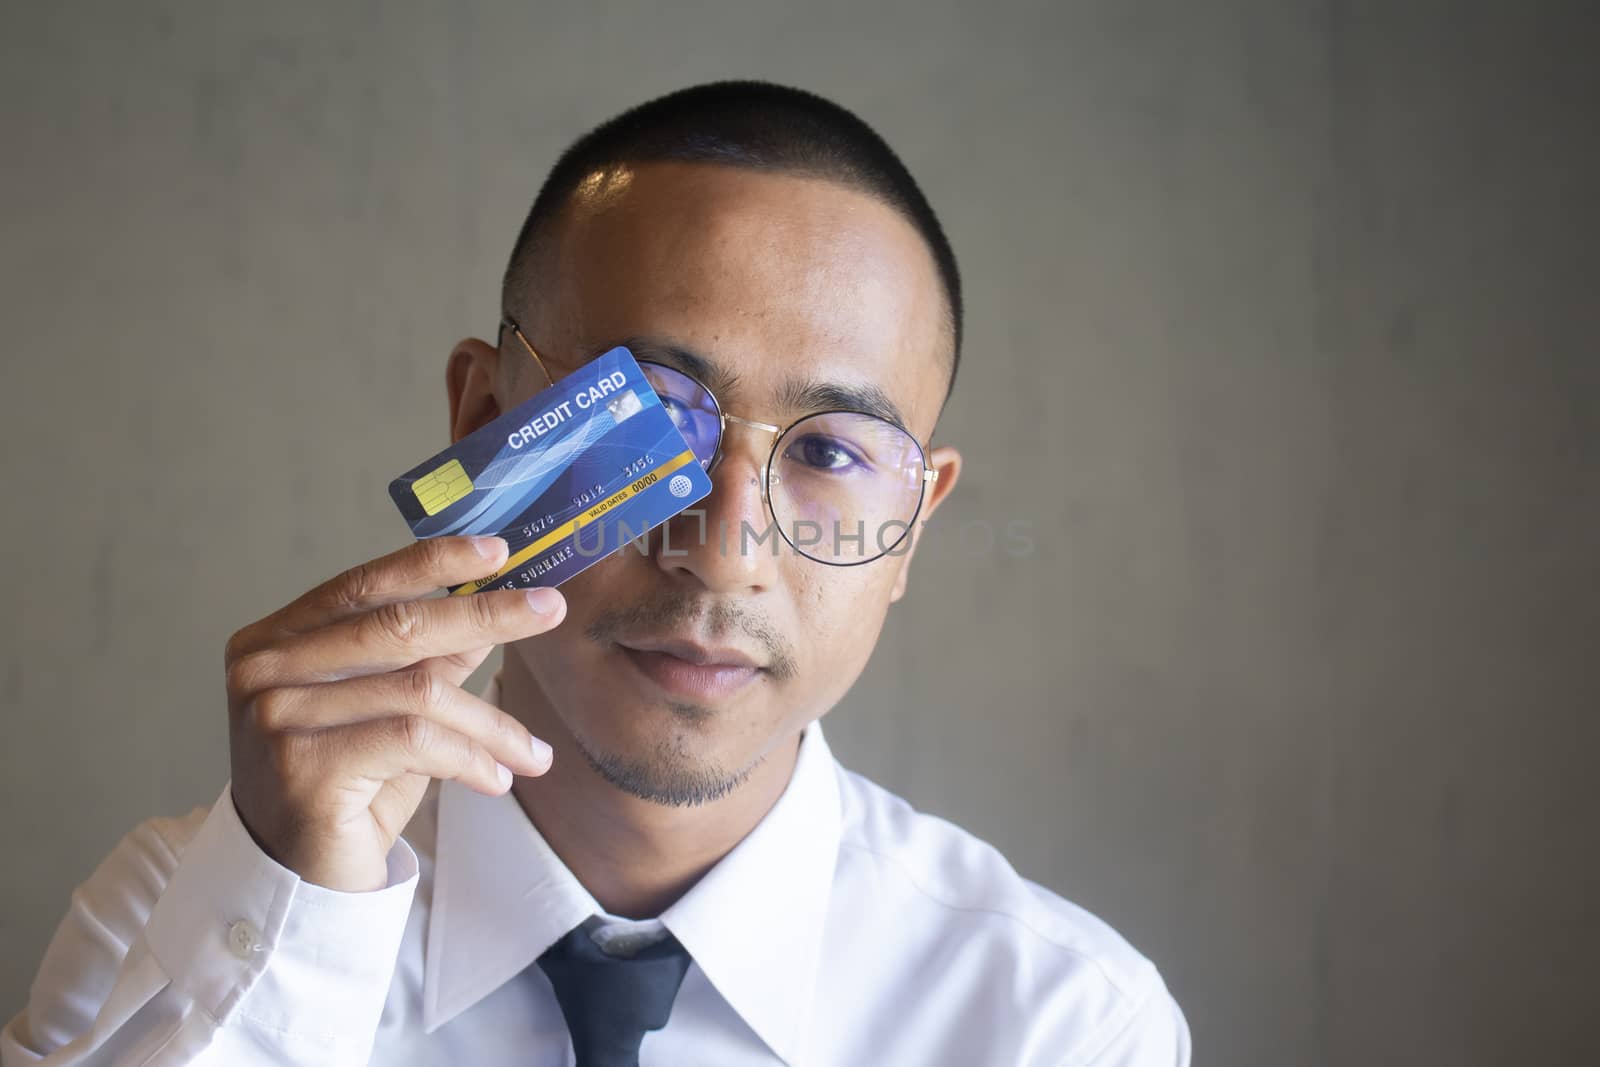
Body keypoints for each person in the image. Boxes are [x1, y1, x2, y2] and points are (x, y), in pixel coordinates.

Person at [2, 80, 1190, 1066]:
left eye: (830, 451)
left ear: (914, 526)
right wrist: (286, 929)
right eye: (656, 416)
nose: (723, 548)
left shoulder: (1062, 1023)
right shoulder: (187, 917)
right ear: (483, 416)